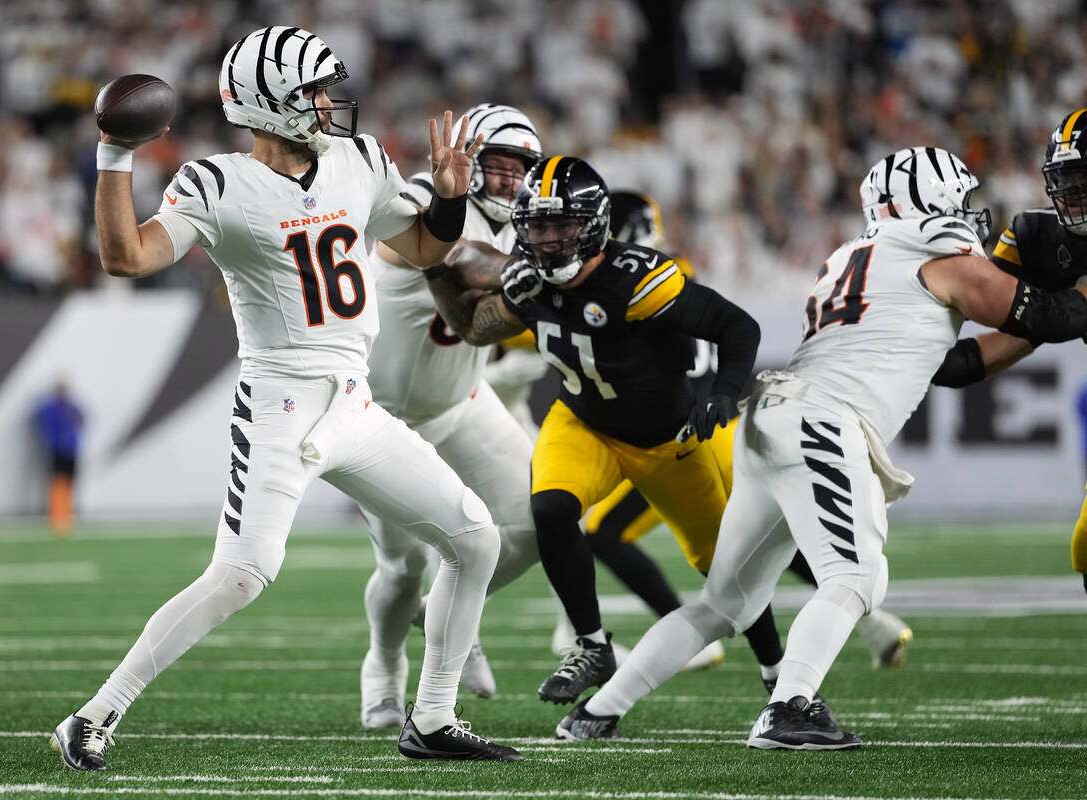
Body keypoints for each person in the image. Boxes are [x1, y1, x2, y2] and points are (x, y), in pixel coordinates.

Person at [50, 26, 524, 769]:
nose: (328, 102)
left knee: (474, 539)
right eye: (311, 90)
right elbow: (125, 256)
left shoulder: (359, 162)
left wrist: (452, 204)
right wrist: (115, 156)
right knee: (243, 574)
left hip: (356, 402)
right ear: (269, 103)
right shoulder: (217, 183)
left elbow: (421, 250)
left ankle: (432, 718)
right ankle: (93, 715)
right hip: (280, 400)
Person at [559, 146, 1087, 749]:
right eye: (961, 201)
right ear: (936, 201)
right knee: (858, 576)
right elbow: (1045, 313)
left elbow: (958, 365)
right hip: (822, 422)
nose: (969, 215)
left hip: (772, 420)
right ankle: (789, 708)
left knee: (723, 604)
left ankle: (597, 712)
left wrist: (1051, 315)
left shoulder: (850, 257)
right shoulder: (942, 256)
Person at [426, 156, 788, 708]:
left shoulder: (639, 280)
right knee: (549, 509)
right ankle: (591, 645)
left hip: (666, 440)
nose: (548, 241)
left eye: (563, 226)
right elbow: (474, 330)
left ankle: (778, 674)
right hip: (584, 424)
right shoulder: (525, 278)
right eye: (538, 227)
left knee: (728, 569)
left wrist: (723, 392)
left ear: (593, 225)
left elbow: (737, 326)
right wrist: (435, 271)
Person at [582, 192, 914, 671]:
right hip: (711, 428)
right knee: (763, 545)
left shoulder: (634, 282)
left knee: (635, 537)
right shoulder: (664, 273)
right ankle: (868, 619)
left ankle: (770, 665)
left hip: (687, 433)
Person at [356, 103, 543, 727]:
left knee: (538, 520)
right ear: (470, 160)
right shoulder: (419, 201)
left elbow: (483, 323)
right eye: (497, 165)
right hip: (385, 419)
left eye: (522, 170)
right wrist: (555, 280)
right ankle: (383, 665)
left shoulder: (526, 230)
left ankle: (448, 606)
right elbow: (459, 260)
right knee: (401, 569)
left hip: (463, 399)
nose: (509, 182)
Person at [931, 109, 1087, 597]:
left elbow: (1057, 317)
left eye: (1084, 178)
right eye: (1066, 180)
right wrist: (922, 353)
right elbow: (1011, 323)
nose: (1072, 192)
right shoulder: (1036, 236)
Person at [34, 381, 84, 537]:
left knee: (65, 482)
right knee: (59, 482)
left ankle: (63, 515)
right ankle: (58, 516)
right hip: (59, 449)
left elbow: (81, 421)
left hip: (66, 449)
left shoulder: (68, 407)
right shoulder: (53, 408)